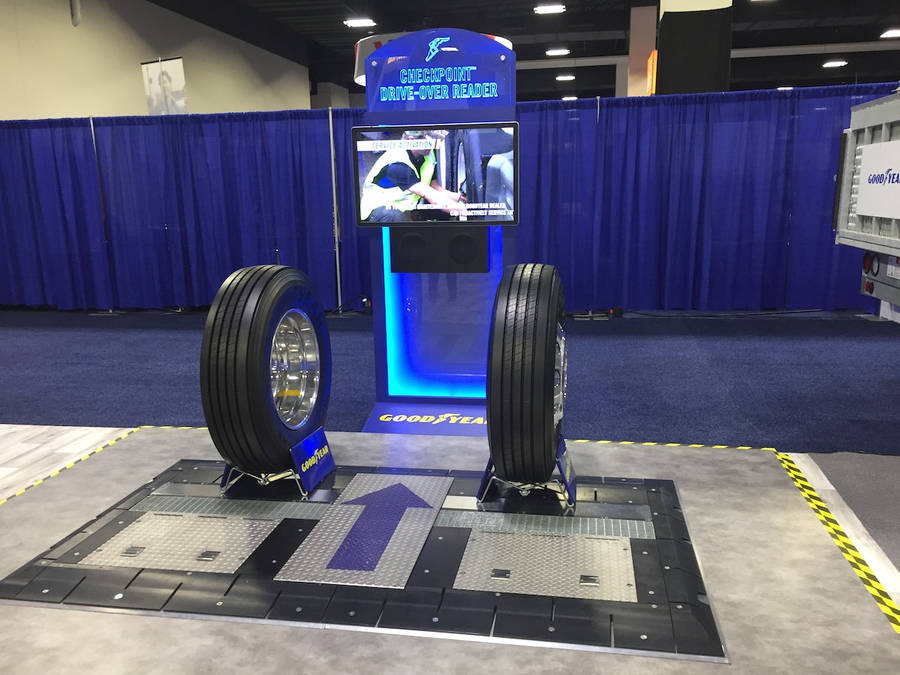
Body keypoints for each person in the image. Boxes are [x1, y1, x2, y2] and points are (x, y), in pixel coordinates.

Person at [360, 130, 466, 222]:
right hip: (378, 210)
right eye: (428, 142)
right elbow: (431, 196)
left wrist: (459, 197)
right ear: (411, 140)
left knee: (441, 213)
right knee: (393, 217)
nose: (432, 146)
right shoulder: (397, 164)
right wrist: (466, 210)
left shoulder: (427, 154)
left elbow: (434, 187)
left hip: (407, 207)